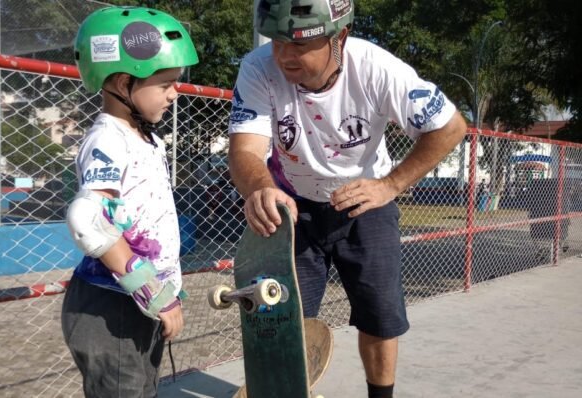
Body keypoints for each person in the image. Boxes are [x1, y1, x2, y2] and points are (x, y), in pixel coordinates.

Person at [227, 1, 466, 397]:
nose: (285, 55)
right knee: (280, 317)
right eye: (277, 41)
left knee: (380, 317)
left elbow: (451, 127)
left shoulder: (377, 68)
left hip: (365, 204)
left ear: (340, 37)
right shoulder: (257, 67)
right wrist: (259, 188)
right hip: (295, 205)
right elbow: (245, 151)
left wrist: (390, 185)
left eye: (300, 44)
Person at [61, 6, 198, 397]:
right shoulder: (108, 138)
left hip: (134, 302)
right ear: (122, 82)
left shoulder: (145, 138)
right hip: (113, 306)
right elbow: (89, 219)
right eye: (166, 83)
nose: (176, 92)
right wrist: (152, 291)